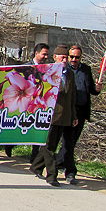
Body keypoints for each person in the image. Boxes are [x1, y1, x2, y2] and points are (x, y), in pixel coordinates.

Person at [30, 45, 77, 187]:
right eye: (62, 57)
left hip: (64, 115)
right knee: (49, 145)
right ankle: (51, 175)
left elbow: (72, 96)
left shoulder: (69, 74)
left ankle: (36, 166)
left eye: (66, 57)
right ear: (55, 57)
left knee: (53, 144)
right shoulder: (47, 73)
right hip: (49, 115)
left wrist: (73, 115)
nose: (65, 59)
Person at [56, 45, 101, 184]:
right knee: (68, 142)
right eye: (72, 57)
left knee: (72, 141)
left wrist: (97, 89)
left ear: (81, 57)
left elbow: (90, 89)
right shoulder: (64, 69)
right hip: (68, 110)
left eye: (77, 57)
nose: (74, 59)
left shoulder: (86, 70)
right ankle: (69, 171)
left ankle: (57, 163)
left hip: (81, 111)